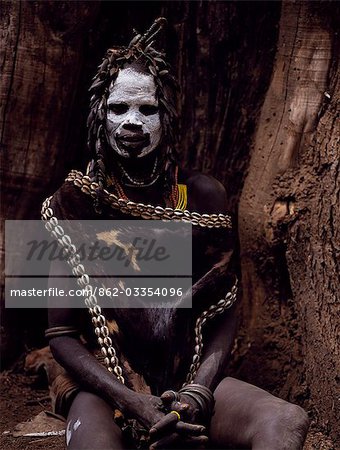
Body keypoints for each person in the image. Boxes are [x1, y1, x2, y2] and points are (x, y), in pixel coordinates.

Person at [42, 18, 309, 450]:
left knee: (285, 420)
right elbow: (61, 335)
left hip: (187, 380)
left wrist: (198, 394)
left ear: (167, 117)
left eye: (147, 109)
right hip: (106, 388)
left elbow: (224, 309)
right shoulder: (75, 203)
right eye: (118, 109)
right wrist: (132, 402)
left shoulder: (203, 197)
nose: (132, 123)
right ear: (98, 115)